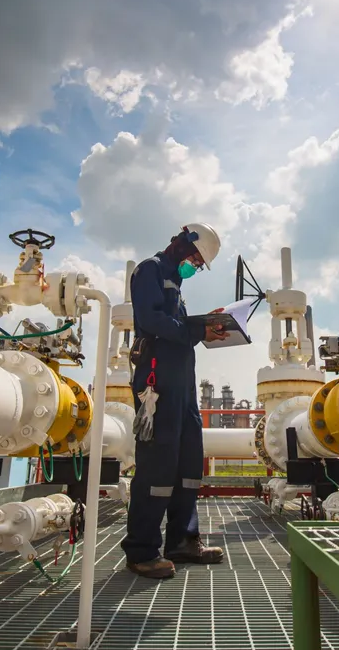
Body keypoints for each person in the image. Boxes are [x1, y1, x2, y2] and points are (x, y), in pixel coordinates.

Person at [121, 223, 228, 579]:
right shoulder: (149, 269)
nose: (194, 268)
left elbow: (178, 327)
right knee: (156, 465)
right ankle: (141, 550)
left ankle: (182, 540)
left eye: (199, 265)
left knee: (187, 464)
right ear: (182, 245)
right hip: (157, 382)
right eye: (195, 260)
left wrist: (207, 325)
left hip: (182, 387)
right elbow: (152, 322)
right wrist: (198, 329)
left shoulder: (176, 286)